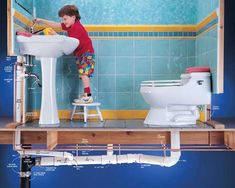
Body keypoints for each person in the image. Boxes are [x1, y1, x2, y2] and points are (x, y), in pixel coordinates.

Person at [33, 5, 95, 103]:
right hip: (82, 54)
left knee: (84, 74)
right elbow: (56, 24)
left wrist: (56, 35)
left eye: (65, 19)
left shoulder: (77, 28)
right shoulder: (71, 26)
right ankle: (86, 95)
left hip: (87, 53)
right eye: (62, 19)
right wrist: (42, 20)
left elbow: (68, 43)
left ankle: (88, 96)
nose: (63, 21)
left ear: (73, 17)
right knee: (83, 74)